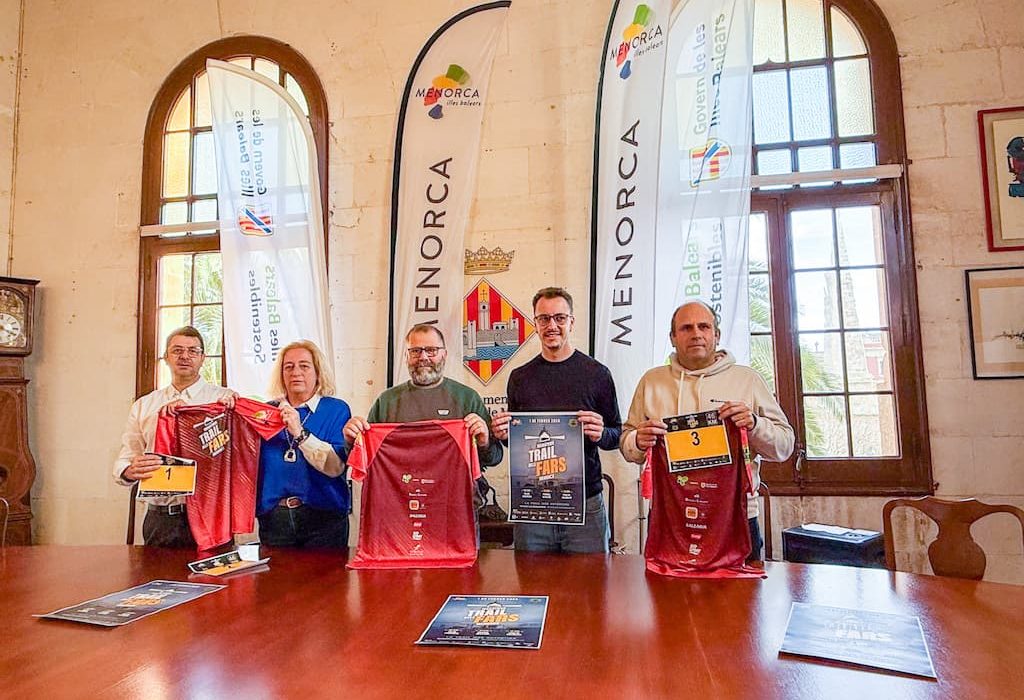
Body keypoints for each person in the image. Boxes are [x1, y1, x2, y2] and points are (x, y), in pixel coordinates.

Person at [619, 301, 795, 560]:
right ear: (673, 337)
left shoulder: (748, 380)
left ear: (717, 334)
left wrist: (754, 425)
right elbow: (627, 444)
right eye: (686, 328)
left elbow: (784, 447)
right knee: (664, 587)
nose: (696, 334)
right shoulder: (651, 381)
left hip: (736, 518)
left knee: (739, 589)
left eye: (704, 326)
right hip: (670, 519)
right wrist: (638, 440)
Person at [490, 287, 622, 553]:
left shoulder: (597, 374)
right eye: (544, 318)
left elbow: (616, 435)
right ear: (535, 324)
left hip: (585, 505)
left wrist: (601, 433)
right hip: (533, 506)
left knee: (590, 578)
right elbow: (516, 442)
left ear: (571, 322)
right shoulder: (519, 378)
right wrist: (504, 435)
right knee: (531, 578)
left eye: (560, 318)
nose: (552, 325)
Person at [114, 326, 235, 548]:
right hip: (161, 518)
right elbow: (127, 456)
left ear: (203, 358)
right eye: (177, 350)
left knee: (215, 571)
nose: (185, 356)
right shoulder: (145, 405)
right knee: (156, 572)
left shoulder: (224, 401)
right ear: (166, 357)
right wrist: (129, 470)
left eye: (193, 351)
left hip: (211, 516)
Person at [343, 323, 502, 469]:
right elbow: (366, 458)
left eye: (431, 350)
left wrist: (484, 442)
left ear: (444, 354)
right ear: (406, 356)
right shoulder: (386, 401)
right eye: (416, 351)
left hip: (456, 490)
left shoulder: (467, 398)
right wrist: (351, 441)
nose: (423, 357)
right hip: (401, 489)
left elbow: (495, 458)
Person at [257, 340, 352, 549]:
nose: (296, 373)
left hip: (324, 518)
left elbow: (335, 467)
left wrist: (299, 433)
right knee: (275, 571)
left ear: (318, 372)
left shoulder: (336, 409)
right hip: (275, 518)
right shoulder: (265, 413)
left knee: (326, 571)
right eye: (288, 367)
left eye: (304, 366)